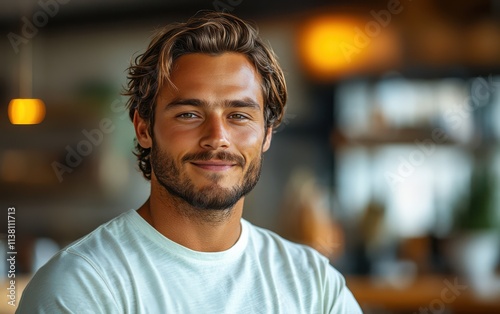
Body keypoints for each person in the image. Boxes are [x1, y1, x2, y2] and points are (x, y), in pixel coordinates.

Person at [17, 11, 362, 313]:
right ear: (143, 128)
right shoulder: (82, 288)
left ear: (267, 134)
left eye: (239, 115)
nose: (217, 136)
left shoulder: (314, 285)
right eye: (189, 114)